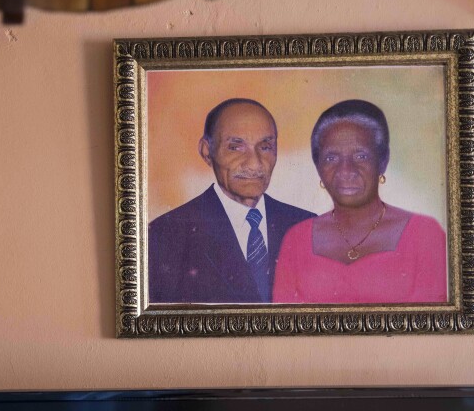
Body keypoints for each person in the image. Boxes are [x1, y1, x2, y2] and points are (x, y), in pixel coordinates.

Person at [273, 99, 447, 304]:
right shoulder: (296, 240)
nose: (346, 170)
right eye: (331, 158)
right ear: (318, 166)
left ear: (382, 161)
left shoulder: (424, 234)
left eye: (361, 156)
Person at [149, 98, 315, 304]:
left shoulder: (307, 226)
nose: (254, 164)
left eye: (265, 147)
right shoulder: (165, 236)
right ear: (206, 151)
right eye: (236, 148)